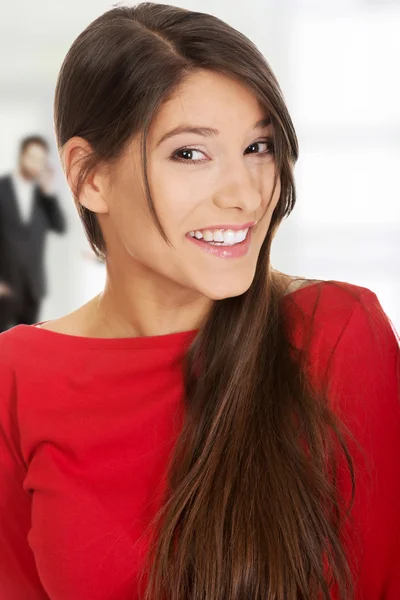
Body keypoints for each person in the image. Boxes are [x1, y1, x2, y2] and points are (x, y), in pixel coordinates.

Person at [0, 4, 399, 600]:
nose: (244, 195)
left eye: (259, 147)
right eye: (190, 153)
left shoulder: (338, 333)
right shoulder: (17, 374)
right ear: (89, 177)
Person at [0, 135, 67, 332]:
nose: (36, 164)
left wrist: (48, 194)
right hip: (5, 287)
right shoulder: (1, 189)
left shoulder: (42, 196)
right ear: (21, 156)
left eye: (41, 159)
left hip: (33, 289)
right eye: (32, 157)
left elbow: (60, 226)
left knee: (26, 350)